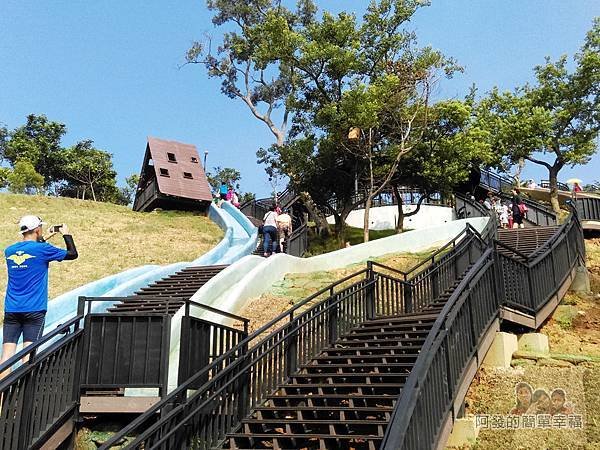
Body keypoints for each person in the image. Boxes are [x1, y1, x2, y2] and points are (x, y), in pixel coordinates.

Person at [1, 216, 78, 375]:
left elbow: (31, 247)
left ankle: (1, 399)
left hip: (12, 309)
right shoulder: (43, 250)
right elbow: (72, 253)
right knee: (28, 357)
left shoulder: (9, 251)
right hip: (34, 310)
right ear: (37, 229)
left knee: (6, 357)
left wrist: (46, 236)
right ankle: (22, 398)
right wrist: (66, 234)